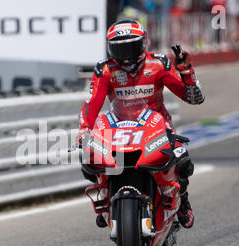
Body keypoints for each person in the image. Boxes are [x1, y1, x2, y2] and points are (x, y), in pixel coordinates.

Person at [76, 19, 205, 229]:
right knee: (90, 158)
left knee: (182, 159)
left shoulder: (159, 63)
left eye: (130, 46)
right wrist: (84, 129)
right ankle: (107, 199)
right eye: (119, 48)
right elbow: (93, 103)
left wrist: (188, 75)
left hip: (155, 125)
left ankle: (182, 201)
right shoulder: (105, 69)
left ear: (143, 43)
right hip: (117, 125)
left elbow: (193, 99)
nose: (125, 55)